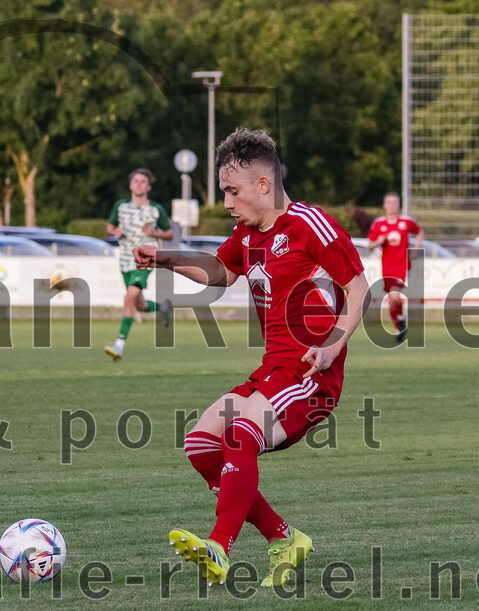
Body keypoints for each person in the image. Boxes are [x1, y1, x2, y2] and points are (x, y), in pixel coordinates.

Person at [134, 129, 369, 587]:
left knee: (242, 431)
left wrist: (335, 343)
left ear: (264, 184)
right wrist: (163, 258)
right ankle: (284, 537)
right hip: (271, 371)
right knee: (201, 445)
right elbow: (221, 272)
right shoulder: (247, 232)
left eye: (232, 191)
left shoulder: (308, 223)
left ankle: (219, 545)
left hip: (310, 374)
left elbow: (357, 287)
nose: (226, 202)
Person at [104, 168, 173, 360]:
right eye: (136, 181)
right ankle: (162, 308)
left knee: (130, 296)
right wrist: (115, 231)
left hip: (145, 256)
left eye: (143, 182)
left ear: (149, 186)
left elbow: (169, 233)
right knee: (139, 304)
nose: (139, 184)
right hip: (125, 258)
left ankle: (119, 345)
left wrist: (154, 233)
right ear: (130, 185)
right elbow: (110, 226)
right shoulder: (121, 206)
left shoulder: (155, 209)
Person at [367, 192, 421, 341]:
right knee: (392, 300)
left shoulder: (406, 221)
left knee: (394, 295)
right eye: (389, 202)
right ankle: (400, 322)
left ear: (399, 204)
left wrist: (415, 249)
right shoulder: (379, 223)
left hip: (402, 266)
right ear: (384, 205)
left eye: (395, 202)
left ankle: (400, 323)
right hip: (387, 267)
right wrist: (379, 241)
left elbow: (419, 232)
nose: (392, 205)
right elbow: (370, 245)